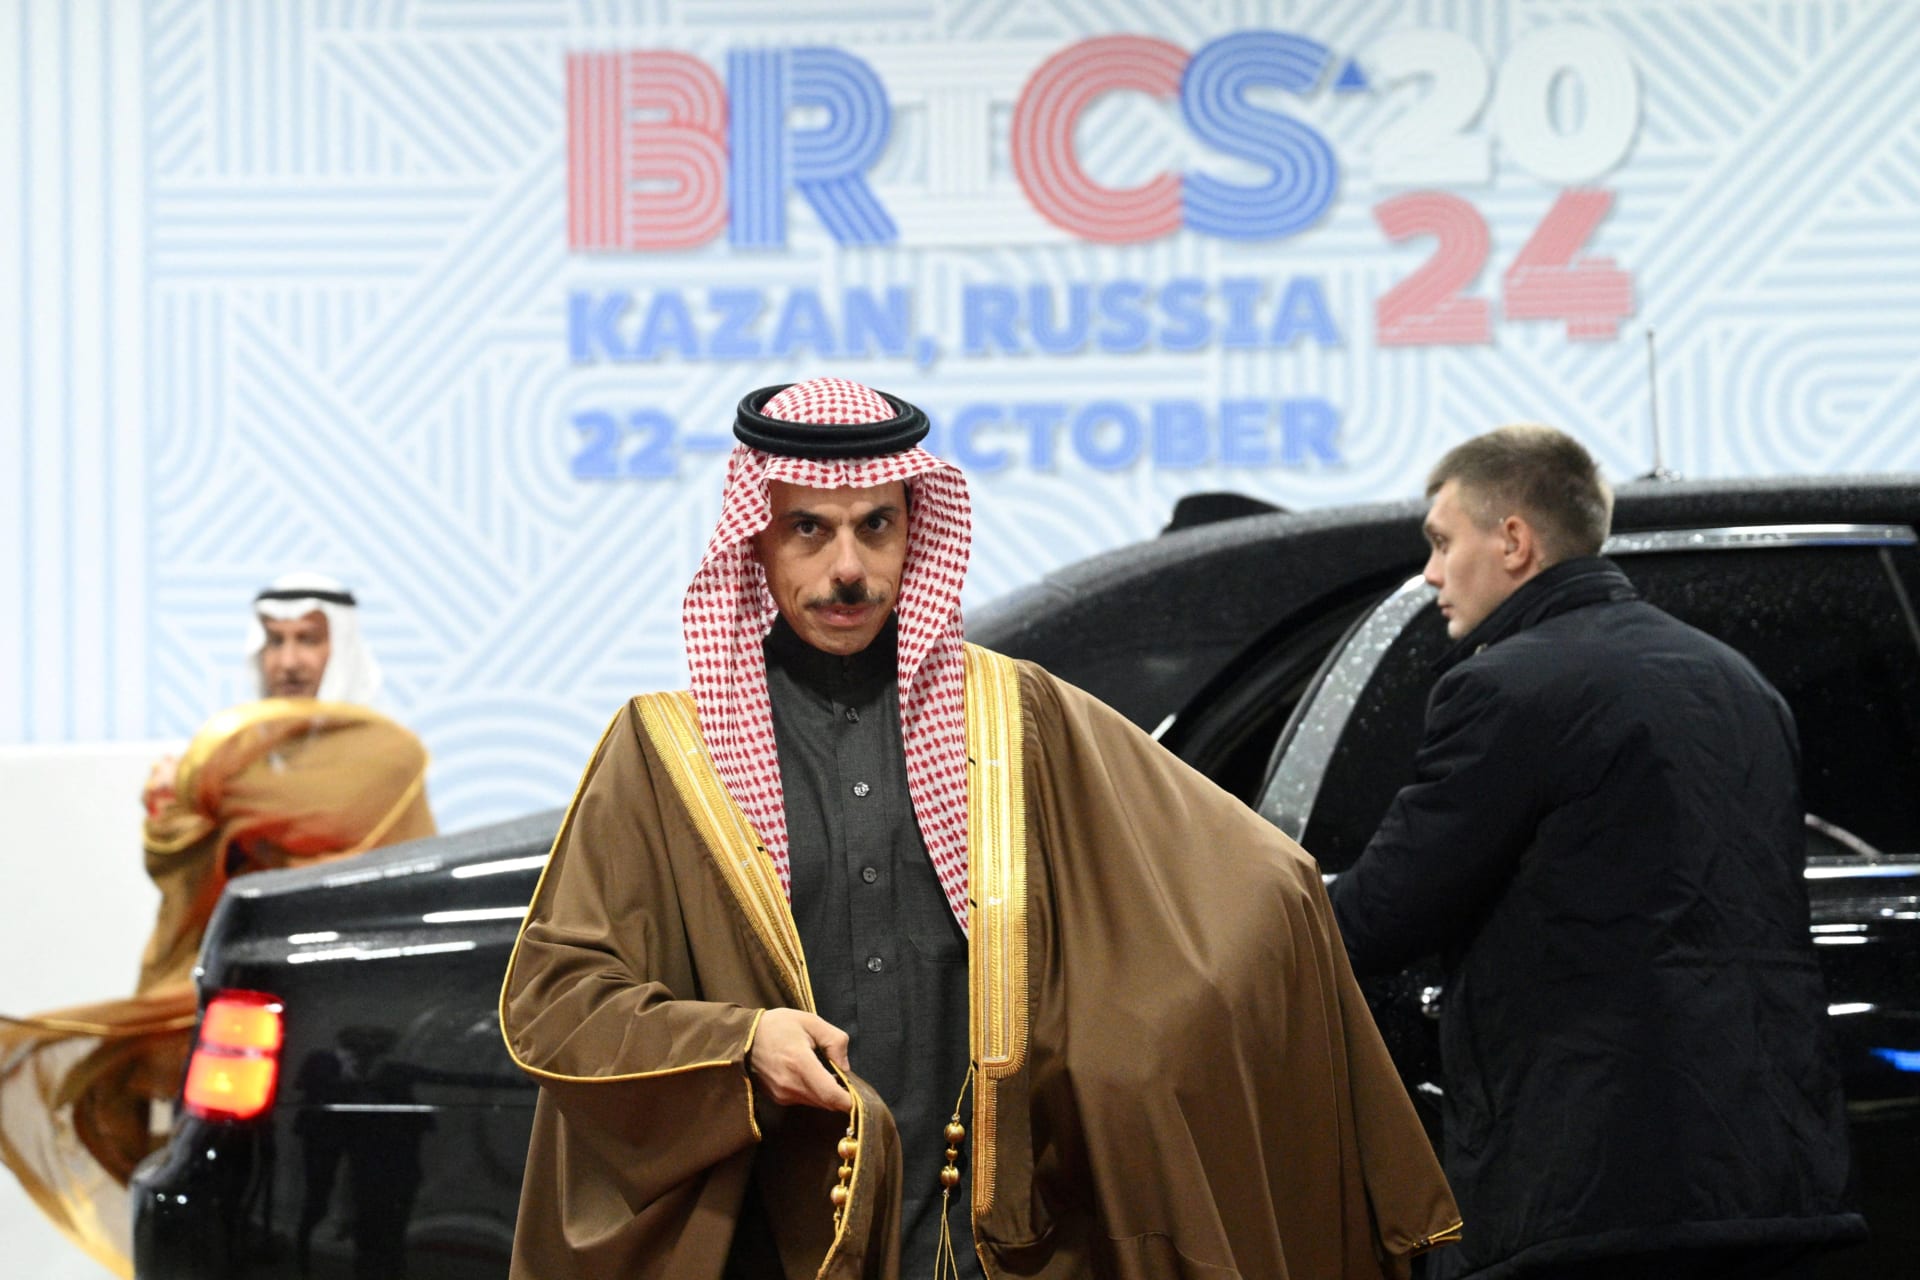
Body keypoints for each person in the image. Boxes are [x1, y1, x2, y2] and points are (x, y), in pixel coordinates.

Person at [500, 377, 1460, 1280]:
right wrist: (740, 1040)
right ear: (756, 542)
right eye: (809, 531)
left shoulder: (1016, 718)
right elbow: (560, 997)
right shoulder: (667, 751)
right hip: (777, 1231)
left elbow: (1264, 886)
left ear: (917, 532)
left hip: (984, 1234)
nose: (848, 569)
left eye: (877, 527)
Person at [1328, 426, 1866, 1280]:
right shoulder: (1741, 683)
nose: (1429, 574)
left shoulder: (1503, 687)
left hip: (1594, 1183)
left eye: (1440, 541)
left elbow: (1381, 914)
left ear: (1513, 539)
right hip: (1774, 1176)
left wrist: (1250, 906)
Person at [0, 573, 435, 1276]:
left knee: (353, 1218)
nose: (288, 660)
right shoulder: (239, 764)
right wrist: (188, 800)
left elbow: (255, 816)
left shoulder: (385, 756)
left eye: (308, 641)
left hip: (352, 1036)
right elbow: (175, 851)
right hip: (240, 1020)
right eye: (275, 641)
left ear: (342, 647)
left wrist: (196, 786)